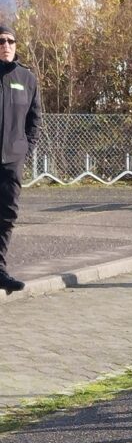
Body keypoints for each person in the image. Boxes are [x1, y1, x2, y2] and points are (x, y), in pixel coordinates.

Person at [0, 23, 42, 294]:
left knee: (7, 214)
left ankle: (0, 270)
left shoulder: (26, 78)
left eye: (10, 41)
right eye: (1, 41)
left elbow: (35, 118)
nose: (5, 45)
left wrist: (26, 148)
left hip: (12, 158)